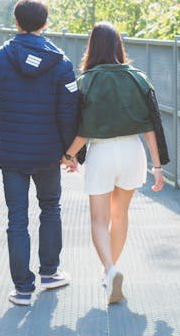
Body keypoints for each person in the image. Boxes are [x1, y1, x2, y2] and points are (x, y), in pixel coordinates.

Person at [0, 0, 78, 306]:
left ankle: (22, 288)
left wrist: (2, 127)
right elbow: (70, 112)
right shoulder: (62, 63)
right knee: (50, 208)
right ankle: (50, 272)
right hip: (48, 153)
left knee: (17, 218)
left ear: (15, 22)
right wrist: (68, 152)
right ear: (45, 24)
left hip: (12, 154)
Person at [61, 22, 168, 305]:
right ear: (119, 45)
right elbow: (151, 127)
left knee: (99, 219)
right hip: (133, 152)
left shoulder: (86, 81)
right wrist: (157, 167)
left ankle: (110, 270)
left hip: (102, 153)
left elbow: (83, 130)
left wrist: (69, 156)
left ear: (91, 46)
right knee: (120, 215)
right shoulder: (138, 79)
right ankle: (111, 272)